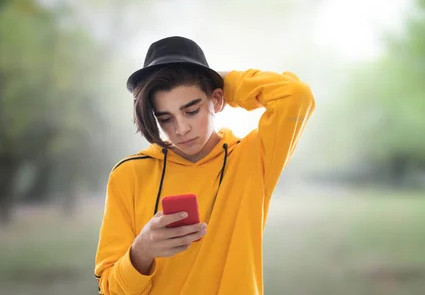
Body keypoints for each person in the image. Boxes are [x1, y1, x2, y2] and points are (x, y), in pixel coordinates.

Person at [94, 36, 315, 295]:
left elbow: (296, 96)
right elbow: (109, 290)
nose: (181, 129)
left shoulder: (254, 158)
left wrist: (218, 82)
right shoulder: (129, 175)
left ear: (217, 100)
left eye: (191, 110)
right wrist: (141, 251)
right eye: (165, 118)